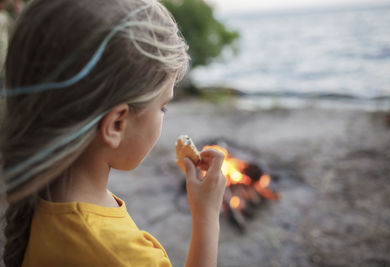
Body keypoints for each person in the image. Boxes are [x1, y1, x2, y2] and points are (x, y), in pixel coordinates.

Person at [0, 0, 226, 266]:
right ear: (117, 124)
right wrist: (207, 216)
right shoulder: (122, 256)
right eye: (162, 107)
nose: (164, 114)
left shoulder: (42, 200)